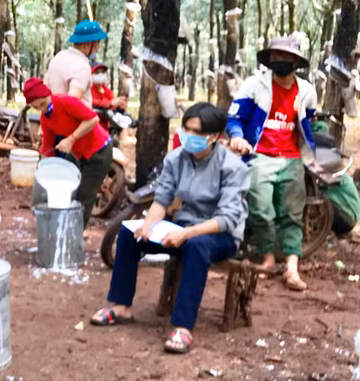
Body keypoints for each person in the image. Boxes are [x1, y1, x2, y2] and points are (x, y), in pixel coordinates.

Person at [90, 103, 250, 354]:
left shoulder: (233, 167)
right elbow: (162, 200)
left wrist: (185, 233)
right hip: (181, 227)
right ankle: (121, 306)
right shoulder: (176, 158)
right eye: (186, 129)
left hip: (219, 236)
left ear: (215, 137)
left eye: (197, 132)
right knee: (129, 233)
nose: (189, 137)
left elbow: (227, 219)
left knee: (196, 246)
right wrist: (147, 225)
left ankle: (183, 326)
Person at [226, 36, 317, 291]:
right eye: (276, 56)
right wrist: (237, 137)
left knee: (292, 212)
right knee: (260, 208)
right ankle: (267, 258)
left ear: (296, 62)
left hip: (292, 157)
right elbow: (235, 117)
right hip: (260, 155)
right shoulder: (254, 85)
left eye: (287, 57)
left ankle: (291, 267)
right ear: (269, 59)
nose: (281, 61)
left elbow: (307, 122)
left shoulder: (307, 91)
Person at [23, 77, 112, 217]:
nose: (42, 108)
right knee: (71, 193)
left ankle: (76, 233)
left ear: (48, 94)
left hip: (99, 150)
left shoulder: (66, 102)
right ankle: (65, 227)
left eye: (43, 103)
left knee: (84, 196)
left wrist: (71, 139)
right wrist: (42, 166)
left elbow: (93, 119)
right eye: (37, 107)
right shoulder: (45, 117)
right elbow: (47, 148)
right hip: (80, 154)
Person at [45, 20, 108, 107]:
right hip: (75, 120)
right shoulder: (82, 66)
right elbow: (72, 102)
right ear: (87, 44)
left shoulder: (58, 57)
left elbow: (46, 87)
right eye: (97, 43)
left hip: (53, 115)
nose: (98, 48)